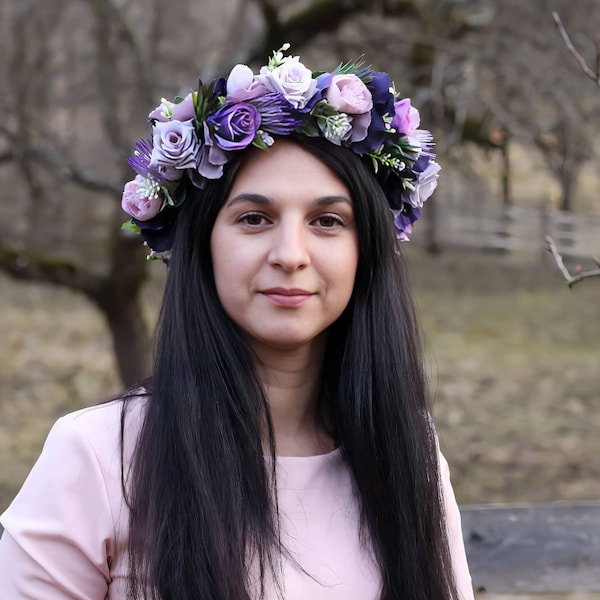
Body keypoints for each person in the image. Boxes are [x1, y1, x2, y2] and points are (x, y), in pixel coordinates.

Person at [0, 46, 473, 599]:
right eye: (254, 218)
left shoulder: (406, 450)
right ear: (203, 245)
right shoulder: (99, 457)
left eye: (326, 221)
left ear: (365, 249)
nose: (290, 254)